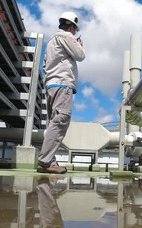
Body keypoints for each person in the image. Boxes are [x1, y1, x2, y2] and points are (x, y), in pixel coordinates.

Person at [37, 11, 85, 174]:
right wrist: (79, 44)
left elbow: (45, 66)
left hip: (51, 85)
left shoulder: (51, 42)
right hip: (62, 84)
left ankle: (50, 159)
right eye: (75, 29)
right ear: (71, 26)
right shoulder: (66, 37)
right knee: (61, 120)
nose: (75, 32)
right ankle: (45, 162)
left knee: (53, 123)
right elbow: (80, 55)